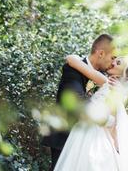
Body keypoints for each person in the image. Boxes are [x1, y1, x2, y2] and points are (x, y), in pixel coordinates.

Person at [54, 55, 128, 171]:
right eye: (114, 60)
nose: (113, 62)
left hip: (94, 137)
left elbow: (112, 122)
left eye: (118, 63)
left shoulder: (117, 92)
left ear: (123, 73)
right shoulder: (107, 83)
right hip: (83, 130)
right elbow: (71, 59)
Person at [41, 34, 116, 170]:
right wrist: (107, 120)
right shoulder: (72, 69)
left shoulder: (105, 79)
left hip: (91, 142)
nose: (113, 63)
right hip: (66, 138)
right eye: (112, 58)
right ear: (101, 53)